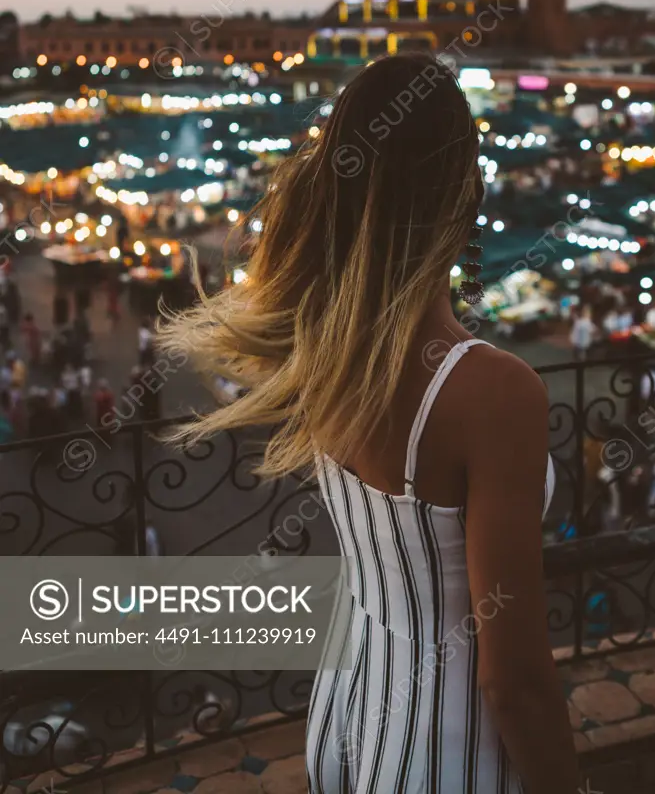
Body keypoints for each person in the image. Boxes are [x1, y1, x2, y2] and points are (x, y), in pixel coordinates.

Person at [157, 54, 579, 793]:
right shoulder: (494, 391)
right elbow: (511, 679)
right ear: (464, 191)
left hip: (345, 710)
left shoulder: (324, 348)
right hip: (453, 752)